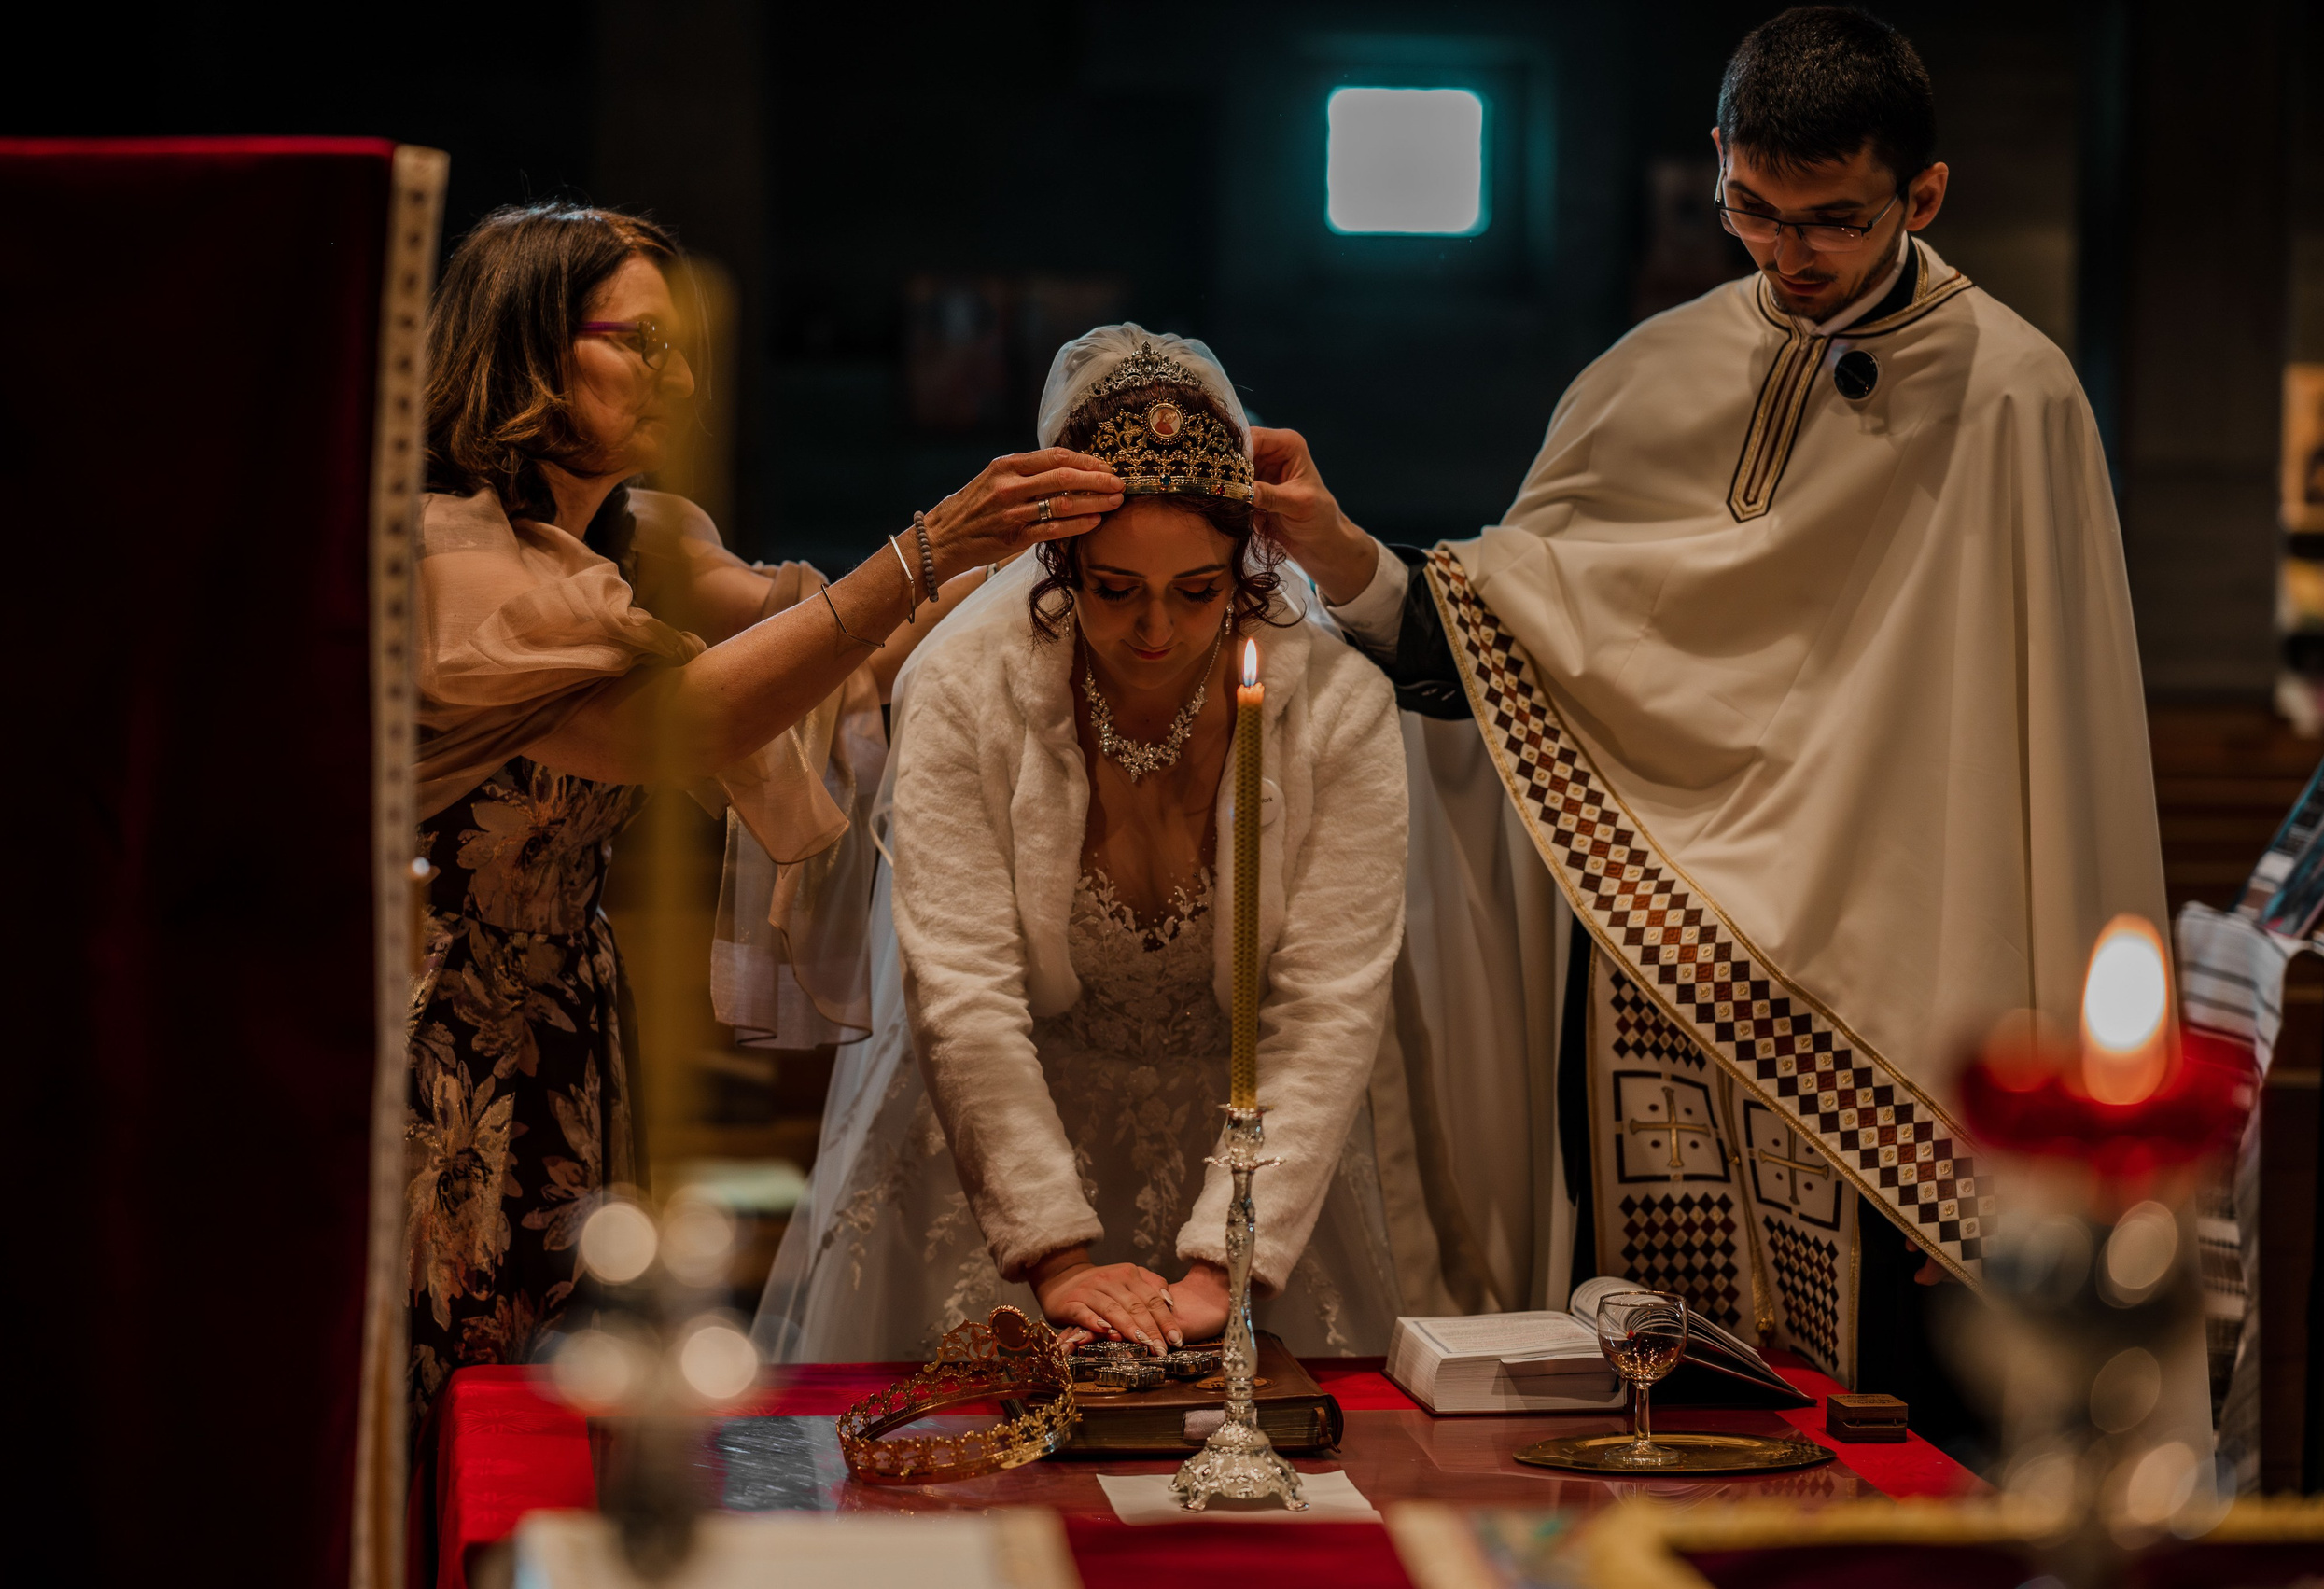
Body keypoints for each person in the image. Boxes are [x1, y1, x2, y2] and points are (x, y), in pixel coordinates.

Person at [1253, 7, 2164, 1446]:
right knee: (1642, 1421)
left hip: (1900, 991)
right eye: (1753, 209)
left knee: (1892, 1432)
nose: (1788, 255)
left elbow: (2051, 751)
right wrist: (1339, 545)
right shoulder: (1651, 377)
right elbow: (1504, 647)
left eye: (1833, 222)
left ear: (1923, 198)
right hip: (1648, 985)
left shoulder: (2015, 395)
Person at [403, 202, 1122, 1420]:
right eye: (640, 339)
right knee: (436, 1372)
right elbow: (675, 718)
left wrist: (1040, 559)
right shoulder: (441, 552)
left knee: (550, 1379)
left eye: (685, 346)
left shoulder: (650, 543)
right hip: (430, 1032)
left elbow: (840, 665)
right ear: (525, 342)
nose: (679, 373)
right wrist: (929, 540)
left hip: (571, 1025)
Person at [757, 327, 1429, 1359]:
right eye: (1115, 589)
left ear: (1246, 565)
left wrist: (1224, 1263)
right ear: (1058, 559)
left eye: (1197, 590)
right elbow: (965, 985)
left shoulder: (1334, 706)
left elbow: (1328, 1002)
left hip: (1247, 1154)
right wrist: (1056, 1255)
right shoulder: (966, 687)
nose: (1156, 629)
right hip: (1005, 1154)